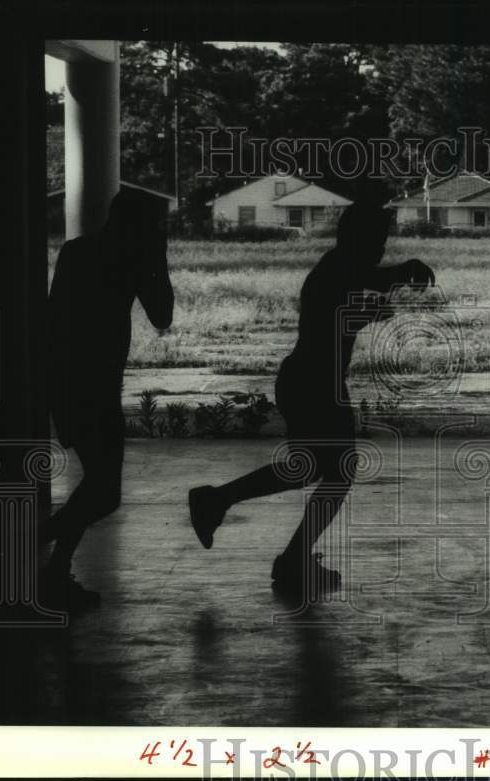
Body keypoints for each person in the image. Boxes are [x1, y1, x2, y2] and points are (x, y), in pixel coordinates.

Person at [188, 201, 435, 596]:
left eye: (382, 240)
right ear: (354, 237)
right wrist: (391, 284)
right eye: (376, 239)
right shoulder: (339, 267)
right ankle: (282, 551)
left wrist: (373, 304)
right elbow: (364, 285)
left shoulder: (341, 268)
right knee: (336, 471)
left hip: (312, 383)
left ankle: (229, 508)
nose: (380, 247)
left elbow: (353, 299)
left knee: (314, 469)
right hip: (314, 384)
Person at [43, 189, 175, 611]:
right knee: (104, 491)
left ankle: (54, 571)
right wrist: (159, 261)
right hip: (97, 388)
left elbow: (55, 316)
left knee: (98, 485)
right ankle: (36, 547)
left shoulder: (76, 252)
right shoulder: (134, 261)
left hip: (66, 381)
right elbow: (163, 317)